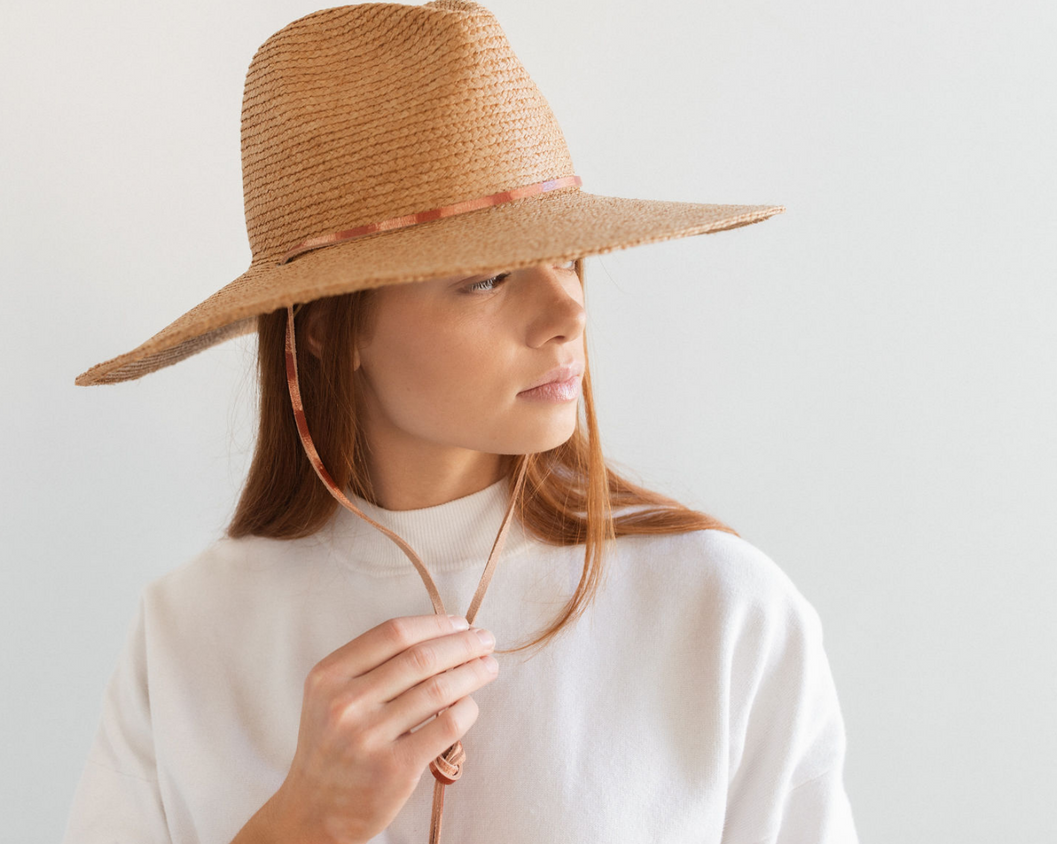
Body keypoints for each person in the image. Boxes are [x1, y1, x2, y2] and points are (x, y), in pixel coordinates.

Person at [62, 2, 858, 843]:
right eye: (486, 278)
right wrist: (300, 825)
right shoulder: (189, 634)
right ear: (331, 330)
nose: (568, 311)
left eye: (566, 259)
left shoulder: (720, 610)